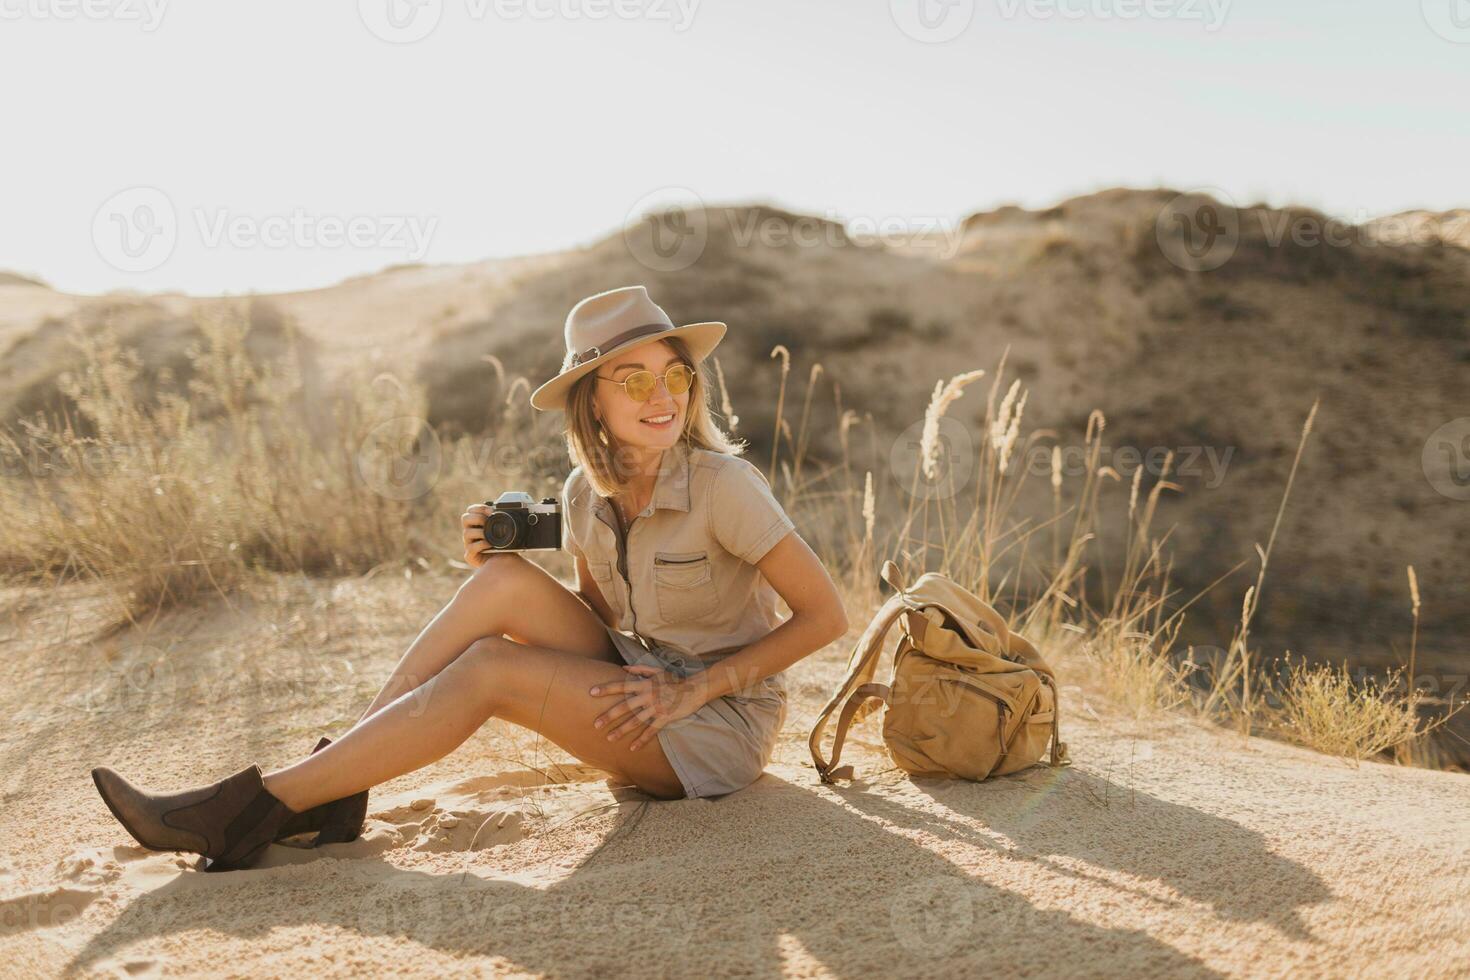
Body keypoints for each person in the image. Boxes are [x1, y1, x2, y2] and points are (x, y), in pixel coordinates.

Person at [90, 284, 850, 871]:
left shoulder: (725, 483)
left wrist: (697, 689)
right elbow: (598, 624)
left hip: (716, 726)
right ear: (592, 399)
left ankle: (256, 808)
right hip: (641, 677)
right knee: (500, 584)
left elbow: (826, 617)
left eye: (674, 376)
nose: (664, 398)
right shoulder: (587, 492)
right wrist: (503, 571)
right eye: (634, 380)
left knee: (490, 668)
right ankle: (335, 784)